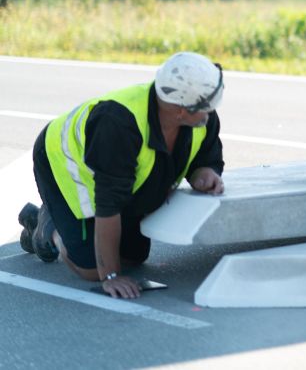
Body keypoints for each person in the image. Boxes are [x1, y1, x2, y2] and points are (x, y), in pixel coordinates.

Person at [16, 52, 226, 299]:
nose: (211, 111)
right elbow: (108, 204)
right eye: (207, 104)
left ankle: (64, 227)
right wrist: (111, 276)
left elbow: (205, 156)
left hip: (114, 177)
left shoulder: (202, 118)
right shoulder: (118, 125)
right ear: (180, 109)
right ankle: (48, 226)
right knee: (92, 268)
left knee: (134, 256)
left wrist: (205, 173)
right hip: (65, 163)